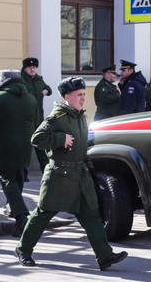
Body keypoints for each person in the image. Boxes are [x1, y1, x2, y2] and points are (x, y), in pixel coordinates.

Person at [15, 76, 128, 270]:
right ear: (67, 96)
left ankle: (104, 256)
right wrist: (60, 138)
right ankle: (23, 249)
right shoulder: (57, 117)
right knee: (43, 213)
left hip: (80, 175)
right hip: (59, 174)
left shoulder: (80, 117)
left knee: (91, 215)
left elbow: (82, 148)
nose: (83, 98)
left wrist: (90, 170)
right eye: (79, 95)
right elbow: (37, 138)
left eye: (84, 94)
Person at [0, 70, 37, 238]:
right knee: (19, 174)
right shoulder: (31, 98)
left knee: (6, 177)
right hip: (26, 144)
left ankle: (21, 214)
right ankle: (12, 208)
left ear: (3, 81)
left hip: (6, 144)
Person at [21, 57, 52, 181]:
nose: (32, 69)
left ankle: (46, 172)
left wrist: (45, 91)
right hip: (26, 119)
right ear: (25, 68)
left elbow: (49, 89)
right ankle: (23, 174)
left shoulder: (39, 80)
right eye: (30, 67)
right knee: (25, 148)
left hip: (39, 119)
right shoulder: (21, 80)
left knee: (41, 146)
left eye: (34, 67)